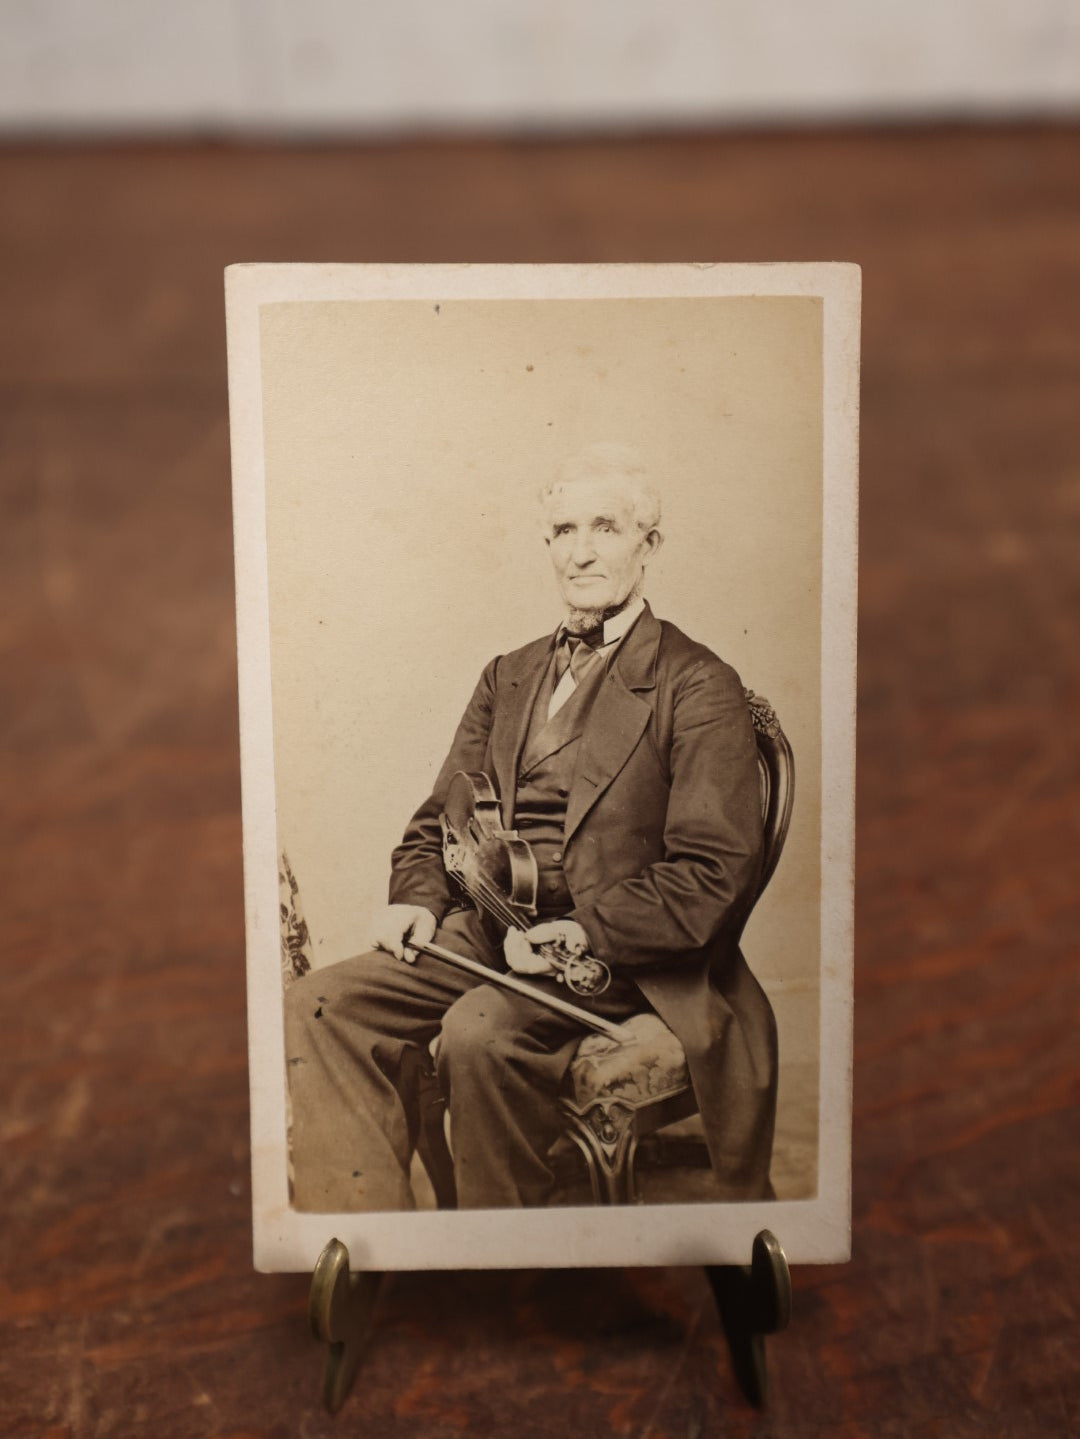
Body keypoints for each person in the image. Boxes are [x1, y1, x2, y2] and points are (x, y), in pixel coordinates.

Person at [284, 443, 777, 1211]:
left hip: (620, 954)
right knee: (318, 1006)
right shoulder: (507, 673)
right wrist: (415, 896)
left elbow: (711, 872)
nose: (581, 552)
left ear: (648, 545)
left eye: (606, 528)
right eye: (563, 530)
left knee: (479, 1032)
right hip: (489, 931)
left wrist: (582, 931)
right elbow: (437, 818)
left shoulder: (697, 681)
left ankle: (510, 1259)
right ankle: (377, 1241)